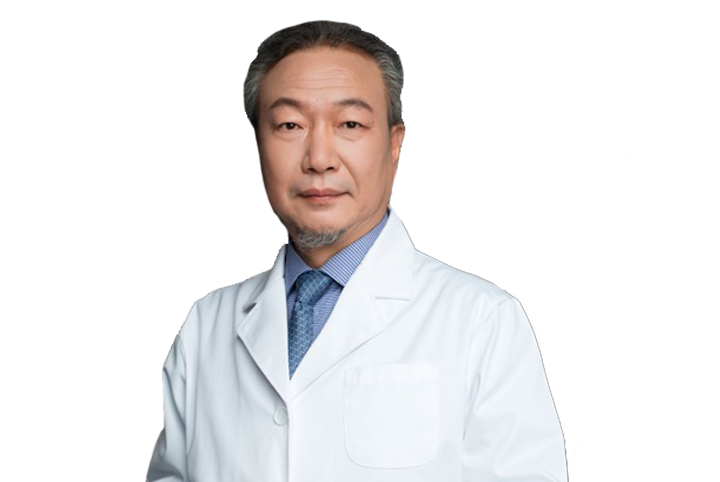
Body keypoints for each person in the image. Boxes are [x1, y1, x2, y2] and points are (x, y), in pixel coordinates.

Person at [146, 20, 568, 482]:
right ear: (259, 146)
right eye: (289, 125)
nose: (319, 158)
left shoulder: (482, 322)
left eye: (350, 124)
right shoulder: (207, 325)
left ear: (394, 145)